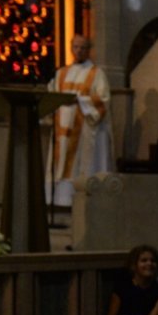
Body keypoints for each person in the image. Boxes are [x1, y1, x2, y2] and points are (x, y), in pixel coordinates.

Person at [46, 35, 113, 207]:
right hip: (63, 129)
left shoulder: (97, 74)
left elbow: (103, 99)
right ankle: (60, 200)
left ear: (89, 49)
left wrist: (80, 101)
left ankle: (82, 197)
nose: (79, 51)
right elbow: (50, 95)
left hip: (83, 129)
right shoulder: (61, 73)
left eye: (83, 47)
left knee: (80, 164)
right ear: (71, 48)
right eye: (76, 47)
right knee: (61, 164)